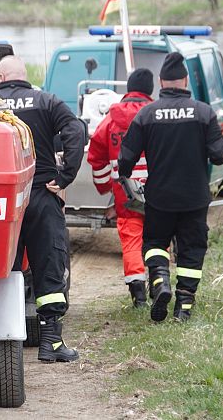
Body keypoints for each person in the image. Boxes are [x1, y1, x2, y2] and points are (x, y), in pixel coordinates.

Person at [117, 52, 223, 322]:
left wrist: (126, 179)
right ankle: (184, 307)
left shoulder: (146, 114)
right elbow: (220, 156)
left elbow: (125, 159)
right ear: (186, 80)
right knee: (192, 249)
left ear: (161, 81)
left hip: (160, 197)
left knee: (155, 243)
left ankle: (160, 282)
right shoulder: (203, 112)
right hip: (195, 198)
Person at [0, 55, 86, 362]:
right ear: (24, 77)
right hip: (41, 194)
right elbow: (75, 131)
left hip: (1, 199)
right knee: (49, 265)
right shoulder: (46, 100)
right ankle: (51, 342)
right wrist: (65, 176)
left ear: (0, 77)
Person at [87, 68, 154, 307]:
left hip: (125, 196)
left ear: (128, 89)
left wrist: (105, 187)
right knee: (158, 239)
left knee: (131, 241)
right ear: (150, 90)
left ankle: (138, 296)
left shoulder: (110, 120)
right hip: (159, 194)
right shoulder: (155, 115)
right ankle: (159, 283)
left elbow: (96, 157)